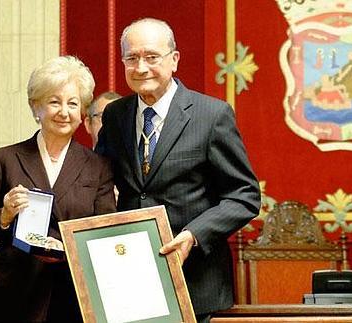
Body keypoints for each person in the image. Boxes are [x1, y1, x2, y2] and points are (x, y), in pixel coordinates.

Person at [95, 18, 261, 322]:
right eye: (131, 58)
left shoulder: (211, 115)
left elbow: (245, 196)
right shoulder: (116, 116)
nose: (141, 67)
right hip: (127, 283)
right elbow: (98, 183)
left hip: (194, 282)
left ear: (174, 60)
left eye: (151, 57)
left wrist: (193, 235)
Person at [0, 56, 116, 323]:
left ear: (82, 112)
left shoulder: (98, 167)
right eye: (54, 101)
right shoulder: (5, 159)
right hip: (12, 296)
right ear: (36, 107)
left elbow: (104, 236)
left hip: (71, 297)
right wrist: (4, 215)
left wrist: (65, 247)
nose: (64, 111)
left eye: (73, 103)